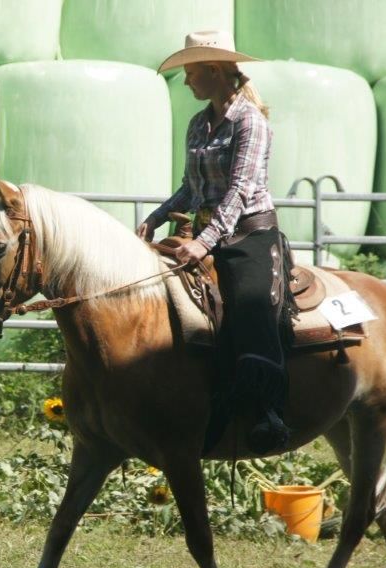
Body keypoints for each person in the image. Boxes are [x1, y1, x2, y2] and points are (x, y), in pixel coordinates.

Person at [135, 30, 294, 454]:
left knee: (250, 303)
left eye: (190, 73)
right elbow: (190, 187)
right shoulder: (197, 124)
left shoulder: (250, 121)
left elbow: (241, 190)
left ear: (213, 70)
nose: (186, 82)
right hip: (207, 232)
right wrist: (154, 217)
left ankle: (265, 410)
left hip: (250, 236)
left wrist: (204, 243)